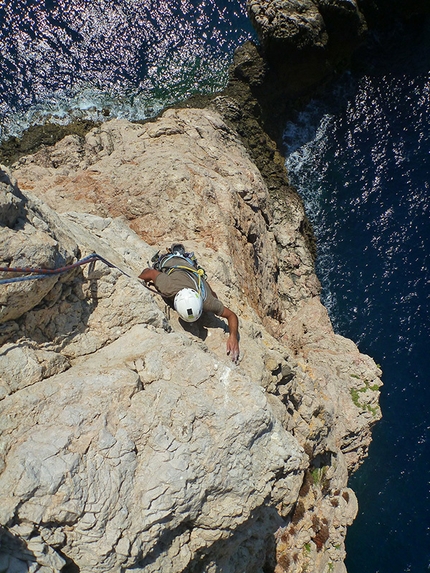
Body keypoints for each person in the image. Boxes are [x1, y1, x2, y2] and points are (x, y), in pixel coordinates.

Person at [139, 244, 239, 363]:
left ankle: (180, 255)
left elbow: (232, 316)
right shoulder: (169, 288)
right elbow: (150, 273)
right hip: (177, 264)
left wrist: (233, 336)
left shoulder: (207, 301)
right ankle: (179, 255)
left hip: (187, 269)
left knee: (214, 296)